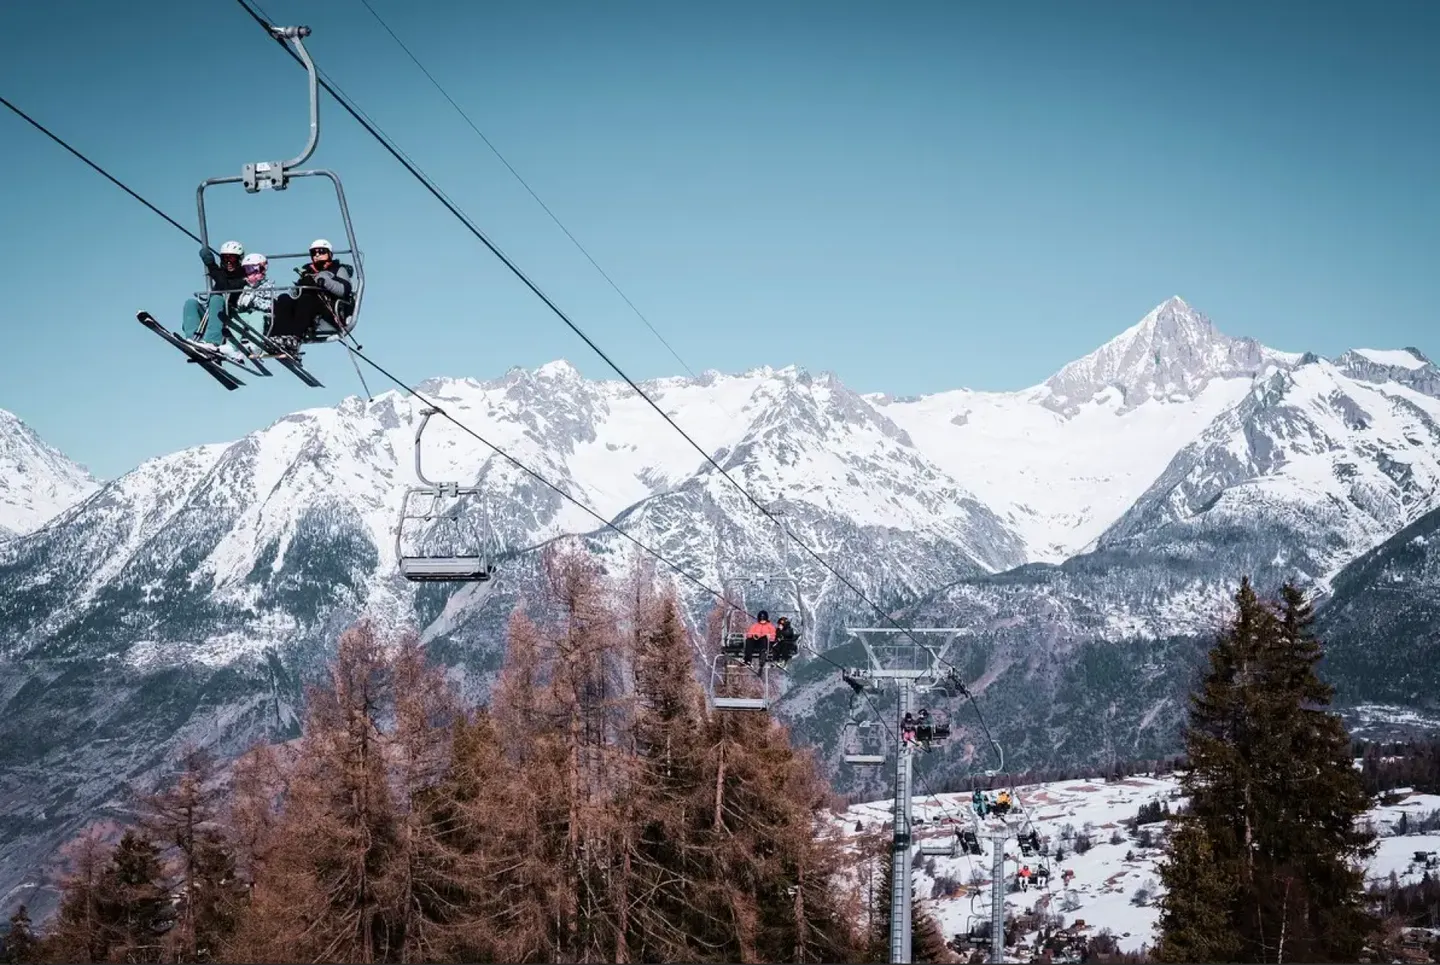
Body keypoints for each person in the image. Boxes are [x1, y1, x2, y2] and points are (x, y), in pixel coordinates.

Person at [266, 238, 355, 352]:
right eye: (314, 253)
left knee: (306, 300)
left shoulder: (338, 269)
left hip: (329, 309)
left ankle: (295, 338)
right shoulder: (307, 272)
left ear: (330, 254)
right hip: (308, 306)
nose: (317, 255)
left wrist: (324, 282)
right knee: (284, 299)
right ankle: (278, 336)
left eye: (321, 252)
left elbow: (344, 290)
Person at [181, 241, 246, 355]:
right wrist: (212, 267)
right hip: (212, 316)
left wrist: (211, 265)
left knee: (216, 299)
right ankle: (193, 339)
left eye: (232, 259)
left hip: (231, 315)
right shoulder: (220, 272)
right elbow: (221, 279)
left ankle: (212, 341)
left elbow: (225, 285)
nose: (229, 262)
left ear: (239, 259)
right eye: (225, 259)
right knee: (191, 303)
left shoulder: (244, 276)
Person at [233, 253, 278, 332]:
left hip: (264, 316)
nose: (249, 273)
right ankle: (231, 343)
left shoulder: (268, 286)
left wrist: (254, 299)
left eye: (251, 269)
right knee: (238, 318)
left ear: (262, 269)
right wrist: (240, 303)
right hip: (247, 315)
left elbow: (271, 305)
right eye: (246, 270)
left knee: (256, 316)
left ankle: (255, 343)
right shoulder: (245, 287)